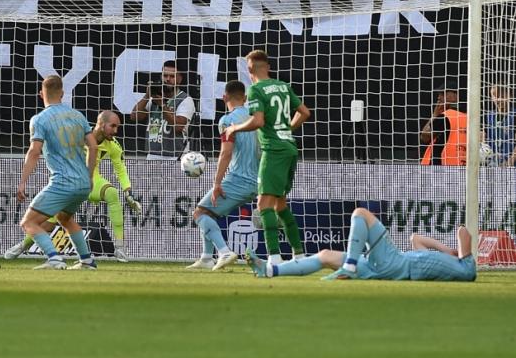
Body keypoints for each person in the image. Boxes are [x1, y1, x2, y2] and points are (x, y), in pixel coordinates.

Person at [6, 110, 141, 262]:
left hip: (92, 180)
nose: (116, 131)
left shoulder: (114, 146)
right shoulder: (78, 135)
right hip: (70, 180)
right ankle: (23, 246)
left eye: (118, 127)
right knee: (51, 222)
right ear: (101, 124)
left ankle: (119, 248)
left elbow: (120, 169)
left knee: (112, 193)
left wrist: (128, 192)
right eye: (113, 126)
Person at [225, 49, 310, 265]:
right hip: (290, 147)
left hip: (273, 151)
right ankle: (299, 254)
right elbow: (305, 112)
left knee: (263, 204)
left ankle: (274, 257)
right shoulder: (283, 86)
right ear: (268, 66)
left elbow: (258, 122)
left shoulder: (255, 90)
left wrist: (235, 128)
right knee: (279, 204)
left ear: (249, 68)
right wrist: (287, 130)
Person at [246, 207, 476, 282]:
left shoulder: (465, 269)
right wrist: (447, 250)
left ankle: (350, 265)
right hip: (386, 266)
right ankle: (269, 270)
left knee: (360, 213)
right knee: (325, 254)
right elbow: (416, 238)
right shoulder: (440, 262)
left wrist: (462, 246)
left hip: (394, 264)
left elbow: (464, 234)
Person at [17, 75, 98, 270]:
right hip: (83, 182)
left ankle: (54, 259)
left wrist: (22, 182)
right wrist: (88, 176)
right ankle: (87, 261)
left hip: (63, 182)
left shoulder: (39, 119)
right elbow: (93, 146)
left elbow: (34, 152)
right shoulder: (78, 116)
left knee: (28, 222)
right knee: (65, 218)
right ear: (62, 93)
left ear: (41, 94)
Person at [186, 81, 259, 271]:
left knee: (199, 213)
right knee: (210, 212)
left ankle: (225, 252)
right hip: (257, 180)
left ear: (224, 97)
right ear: (245, 98)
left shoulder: (227, 121)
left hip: (239, 178)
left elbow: (226, 153)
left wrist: (217, 182)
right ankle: (206, 258)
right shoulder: (256, 118)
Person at [129, 60, 196, 160]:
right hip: (152, 154)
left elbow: (178, 126)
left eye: (172, 76)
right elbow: (134, 117)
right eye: (165, 76)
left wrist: (162, 104)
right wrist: (147, 96)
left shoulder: (185, 100)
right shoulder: (154, 97)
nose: (168, 79)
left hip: (175, 156)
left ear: (180, 79)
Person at [421, 79, 466, 166]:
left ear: (455, 95)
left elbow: (424, 136)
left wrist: (435, 114)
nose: (439, 97)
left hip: (441, 167)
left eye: (443, 93)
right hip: (462, 165)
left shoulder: (446, 116)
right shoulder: (469, 117)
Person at [484, 83, 516, 167]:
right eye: (494, 96)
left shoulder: (514, 115)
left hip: (511, 166)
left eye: (501, 95)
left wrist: (510, 161)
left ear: (509, 96)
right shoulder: (487, 116)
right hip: (491, 165)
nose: (498, 99)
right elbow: (482, 138)